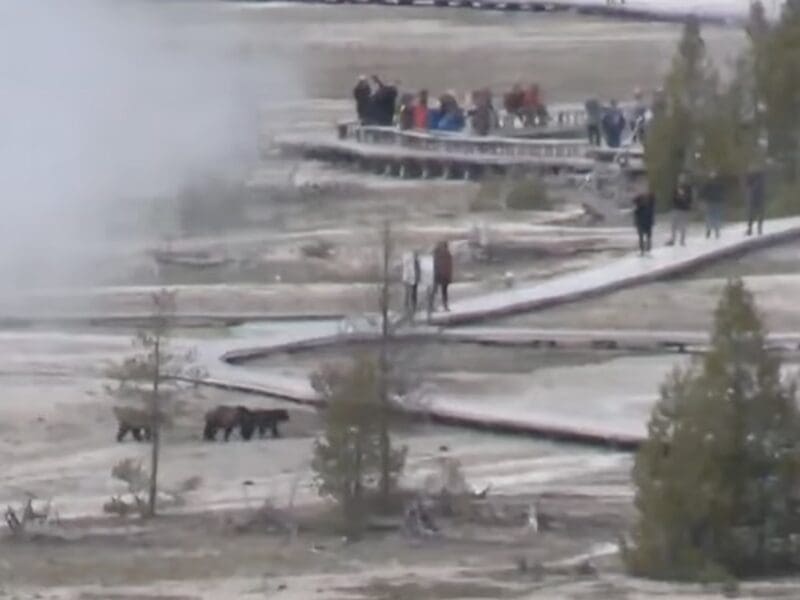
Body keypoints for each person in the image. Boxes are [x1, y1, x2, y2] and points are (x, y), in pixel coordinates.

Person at [666, 175, 692, 246]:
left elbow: (689, 199)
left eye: (682, 179)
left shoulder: (687, 188)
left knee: (682, 225)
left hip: (683, 209)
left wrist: (683, 197)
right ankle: (673, 239)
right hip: (677, 208)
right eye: (680, 179)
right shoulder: (677, 188)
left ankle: (682, 240)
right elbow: (673, 198)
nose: (681, 181)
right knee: (673, 225)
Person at [430, 240, 453, 314]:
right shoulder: (446, 254)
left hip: (437, 274)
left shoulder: (436, 253)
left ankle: (432, 306)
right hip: (443, 275)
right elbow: (448, 266)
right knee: (444, 292)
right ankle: (445, 306)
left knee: (435, 291)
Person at [633, 185, 656, 256]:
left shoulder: (647, 200)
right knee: (646, 236)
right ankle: (646, 249)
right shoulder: (649, 200)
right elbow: (634, 202)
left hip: (643, 220)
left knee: (642, 236)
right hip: (646, 220)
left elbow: (636, 205)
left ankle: (644, 250)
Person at [702, 172, 725, 239]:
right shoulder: (720, 184)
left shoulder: (707, 184)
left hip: (710, 202)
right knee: (716, 216)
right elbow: (723, 193)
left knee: (709, 216)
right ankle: (716, 231)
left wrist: (703, 199)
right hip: (717, 202)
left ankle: (709, 230)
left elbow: (703, 193)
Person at [745, 167, 766, 236]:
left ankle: (751, 229)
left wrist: (750, 195)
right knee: (758, 213)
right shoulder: (761, 180)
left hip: (754, 198)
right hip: (759, 198)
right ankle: (757, 228)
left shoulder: (754, 181)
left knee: (752, 214)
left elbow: (750, 189)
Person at [401, 250, 421, 317]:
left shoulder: (413, 261)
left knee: (412, 293)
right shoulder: (410, 261)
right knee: (410, 293)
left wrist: (418, 277)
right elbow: (414, 270)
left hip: (412, 279)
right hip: (410, 278)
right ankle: (408, 306)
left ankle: (411, 306)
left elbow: (417, 270)